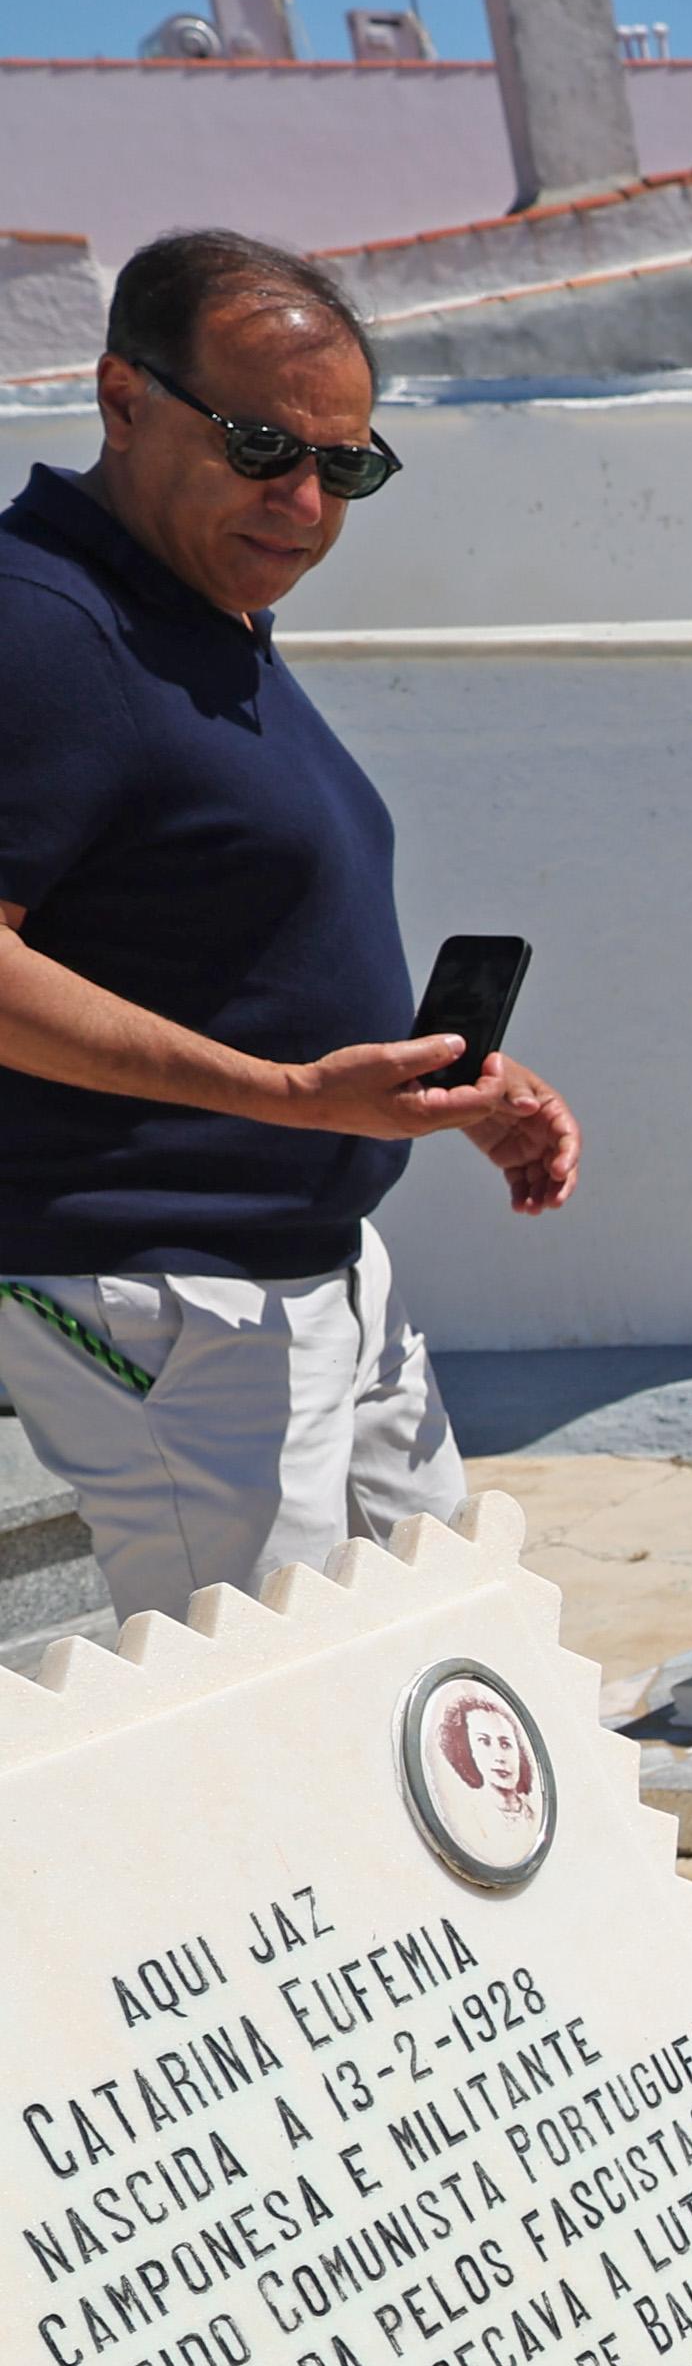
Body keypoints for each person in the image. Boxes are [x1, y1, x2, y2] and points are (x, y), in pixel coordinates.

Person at [0, 230, 573, 1618]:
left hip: (316, 1271)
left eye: (346, 467)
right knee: (276, 1708)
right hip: (165, 1294)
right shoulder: (42, 626)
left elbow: (203, 924)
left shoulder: (197, 612)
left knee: (448, 1654)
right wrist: (291, 1098)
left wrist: (438, 1085)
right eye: (263, 447)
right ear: (123, 400)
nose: (305, 502)